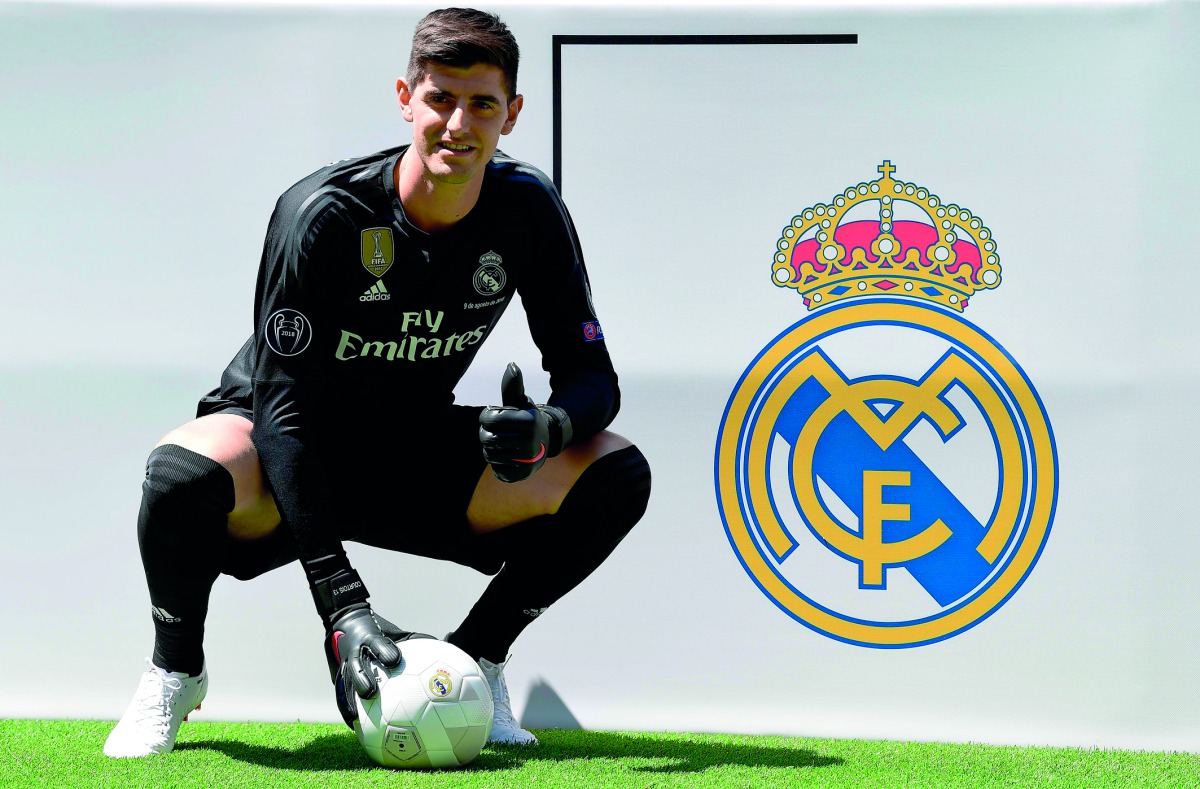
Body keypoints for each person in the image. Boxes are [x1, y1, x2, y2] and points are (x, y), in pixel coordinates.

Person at [103, 7, 651, 758]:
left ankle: (478, 659)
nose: (458, 124)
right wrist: (342, 607)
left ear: (513, 113)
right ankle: (175, 669)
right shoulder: (324, 213)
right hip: (286, 447)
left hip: (406, 446)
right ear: (405, 98)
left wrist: (549, 427)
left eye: (482, 104)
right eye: (440, 99)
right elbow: (282, 411)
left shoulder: (529, 207)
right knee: (180, 473)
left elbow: (592, 377)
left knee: (616, 471)